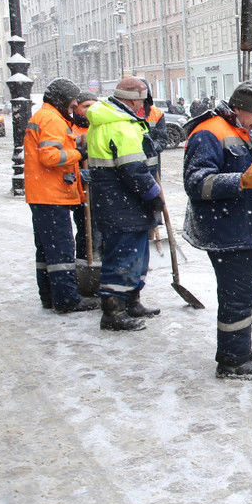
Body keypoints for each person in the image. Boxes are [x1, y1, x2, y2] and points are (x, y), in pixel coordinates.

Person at [182, 81, 252, 380]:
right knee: (237, 292)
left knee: (246, 288)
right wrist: (240, 181)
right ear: (239, 110)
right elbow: (196, 183)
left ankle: (239, 347)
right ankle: (232, 361)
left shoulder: (239, 130)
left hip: (240, 226)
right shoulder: (209, 132)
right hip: (225, 230)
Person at [86, 76, 164, 331]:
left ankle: (131, 300)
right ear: (130, 101)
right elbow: (133, 170)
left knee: (136, 256)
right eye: (141, 101)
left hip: (122, 202)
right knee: (122, 257)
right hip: (123, 203)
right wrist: (153, 194)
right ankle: (113, 312)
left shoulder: (120, 121)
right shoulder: (118, 125)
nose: (143, 106)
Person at [24, 78, 99, 314]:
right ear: (62, 99)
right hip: (51, 193)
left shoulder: (44, 117)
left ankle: (48, 295)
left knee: (46, 249)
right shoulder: (52, 120)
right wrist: (78, 152)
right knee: (61, 249)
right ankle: (66, 299)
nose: (74, 105)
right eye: (72, 101)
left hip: (41, 192)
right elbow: (50, 157)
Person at [69, 93, 98, 275]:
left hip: (100, 189)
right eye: (86, 105)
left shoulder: (99, 128)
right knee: (85, 230)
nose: (90, 109)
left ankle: (98, 263)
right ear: (76, 108)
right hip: (80, 191)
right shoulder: (71, 129)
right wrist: (79, 171)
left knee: (99, 231)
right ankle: (83, 267)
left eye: (94, 105)